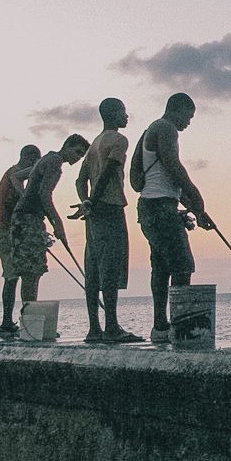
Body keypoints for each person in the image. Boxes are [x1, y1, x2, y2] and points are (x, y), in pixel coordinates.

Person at [129, 93, 213, 343]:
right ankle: (179, 326)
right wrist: (196, 198)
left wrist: (197, 211)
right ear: (177, 109)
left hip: (151, 207)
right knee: (182, 265)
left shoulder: (148, 131)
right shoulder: (166, 128)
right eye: (188, 116)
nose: (188, 122)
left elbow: (140, 180)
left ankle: (160, 327)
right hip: (160, 209)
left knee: (162, 267)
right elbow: (172, 165)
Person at [73, 98, 142, 343]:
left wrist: (85, 202)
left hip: (93, 213)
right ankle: (111, 327)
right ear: (113, 114)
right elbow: (108, 171)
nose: (127, 116)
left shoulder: (93, 144)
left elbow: (80, 180)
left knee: (92, 268)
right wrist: (94, 200)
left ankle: (94, 329)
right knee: (110, 266)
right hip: (109, 208)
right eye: (123, 111)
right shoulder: (119, 140)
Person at [8, 135, 91, 311]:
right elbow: (44, 194)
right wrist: (58, 224)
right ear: (67, 146)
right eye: (76, 152)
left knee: (31, 271)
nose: (77, 158)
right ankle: (30, 318)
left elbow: (16, 177)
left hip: (25, 217)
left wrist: (25, 198)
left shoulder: (46, 158)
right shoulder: (54, 163)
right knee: (32, 271)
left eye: (81, 155)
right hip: (28, 219)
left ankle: (29, 316)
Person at [0, 144, 40, 338]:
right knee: (14, 276)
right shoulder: (15, 176)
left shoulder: (11, 174)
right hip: (8, 232)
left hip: (5, 231)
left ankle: (10, 322)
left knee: (12, 276)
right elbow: (17, 205)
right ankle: (15, 322)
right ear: (31, 159)